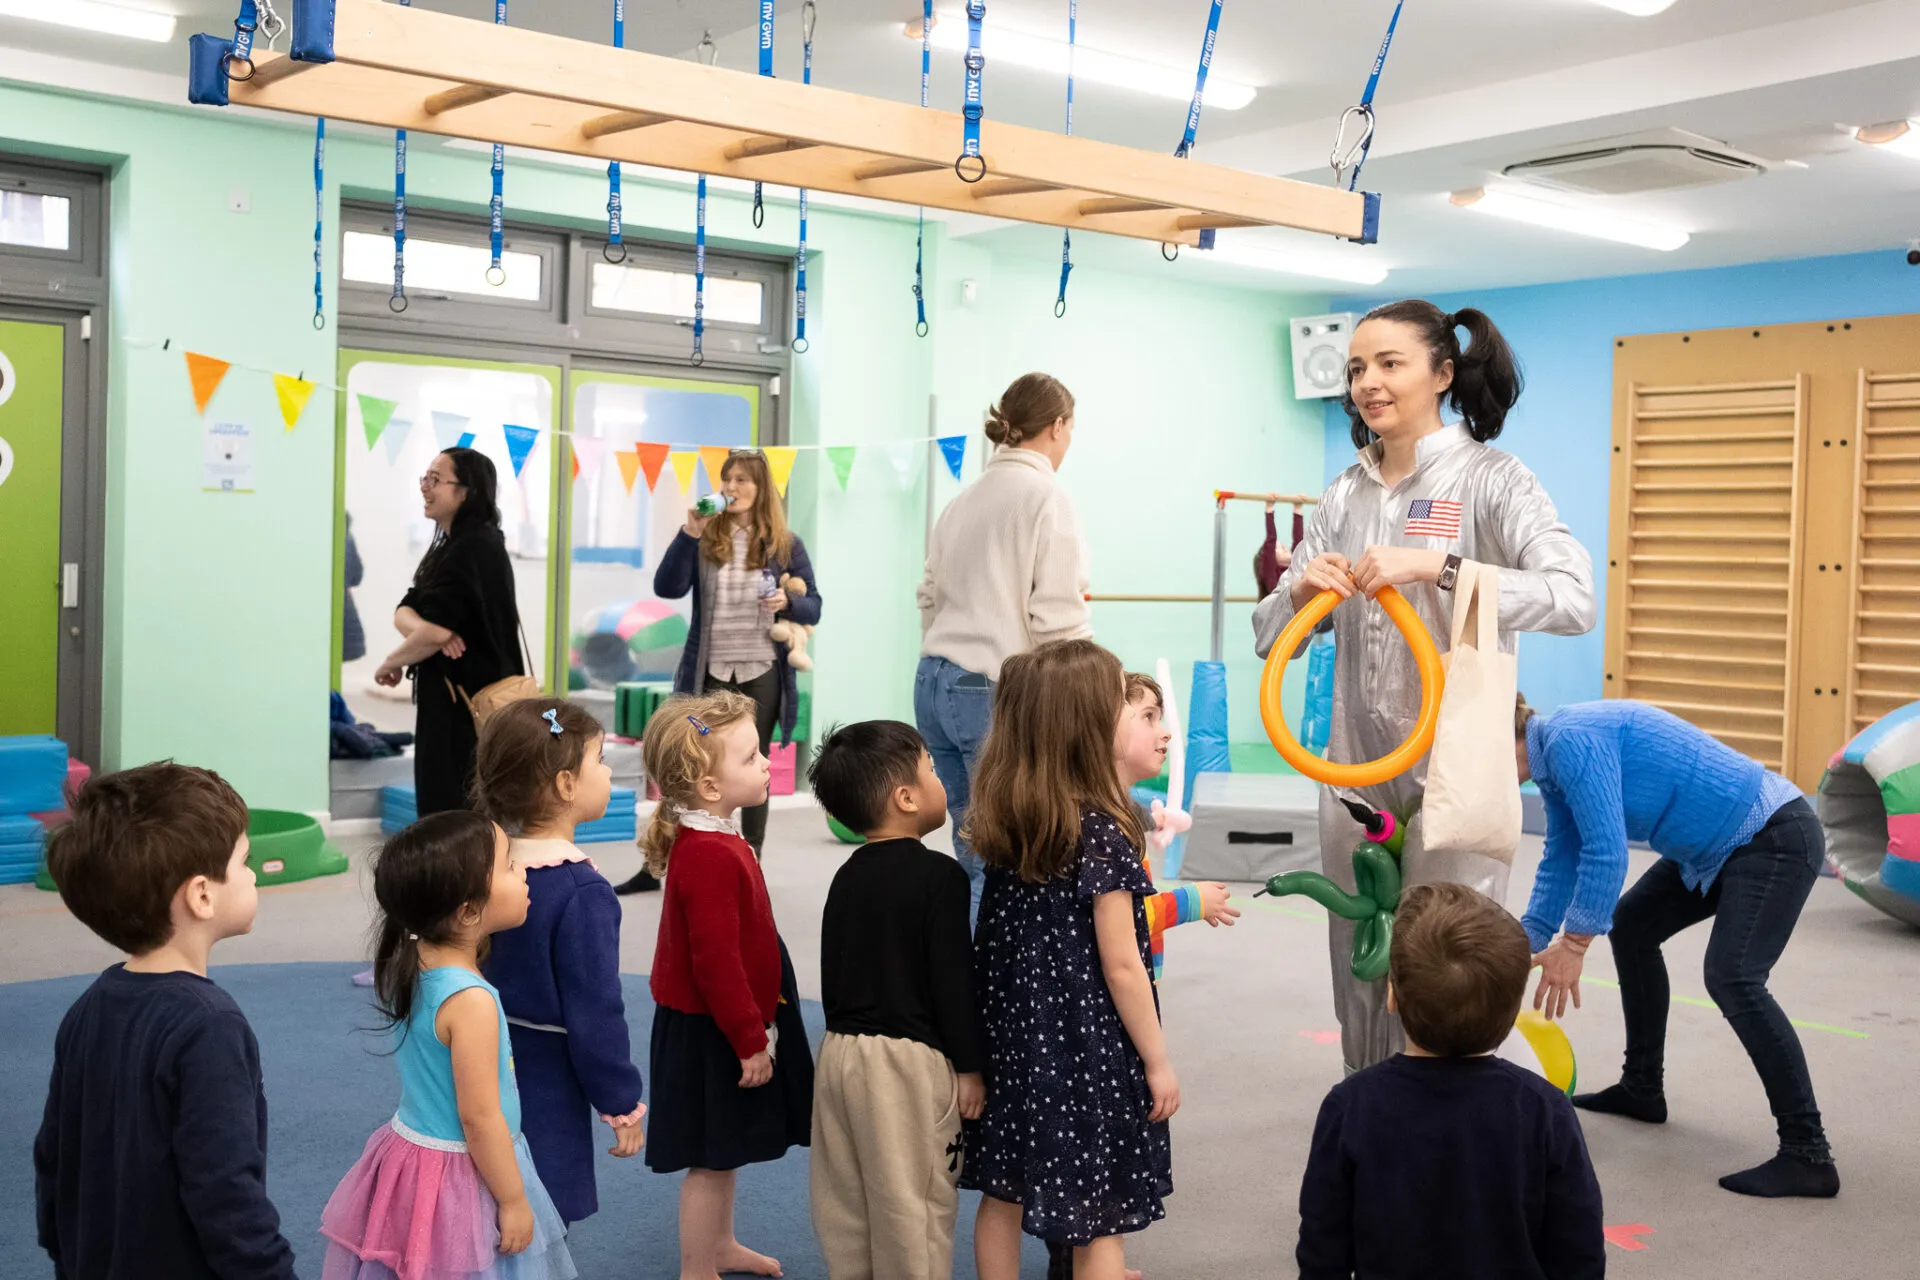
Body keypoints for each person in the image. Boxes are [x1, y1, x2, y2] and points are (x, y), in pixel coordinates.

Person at [1252, 300, 1596, 1074]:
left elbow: (1575, 598)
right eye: (1355, 369)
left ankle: (1452, 1141)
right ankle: (1372, 1117)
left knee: (1447, 964)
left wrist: (1435, 568)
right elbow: (1271, 633)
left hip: (1455, 762)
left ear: (1442, 373)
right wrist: (1302, 589)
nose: (1367, 383)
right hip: (1355, 769)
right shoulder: (1343, 495)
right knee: (1361, 954)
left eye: (1388, 363)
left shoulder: (1493, 480)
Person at [1515, 695, 1840, 1198]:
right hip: (1716, 846)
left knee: (1733, 976)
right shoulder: (1551, 763)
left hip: (1773, 834)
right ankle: (1643, 1087)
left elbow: (1606, 850)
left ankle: (1808, 1152)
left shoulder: (1568, 741)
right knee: (1633, 925)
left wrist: (1574, 945)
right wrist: (1519, 948)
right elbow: (1563, 854)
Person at [962, 639, 1176, 1280]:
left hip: (1016, 1040)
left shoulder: (1014, 816)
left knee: (1003, 1192)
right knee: (1100, 1214)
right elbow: (1121, 965)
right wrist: (1158, 1060)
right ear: (1086, 726)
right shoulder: (1104, 833)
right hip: (1085, 1048)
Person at [33, 762, 296, 1280]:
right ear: (202, 895)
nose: (250, 873)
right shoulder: (210, 1026)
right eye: (244, 861)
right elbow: (226, 1192)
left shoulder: (88, 1006)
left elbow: (53, 1161)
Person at [1296, 883, 1604, 1280]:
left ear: (1392, 995)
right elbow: (1579, 1249)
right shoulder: (1545, 1108)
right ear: (1512, 1017)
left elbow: (1323, 1247)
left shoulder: (1351, 1105)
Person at [319, 810, 576, 1280]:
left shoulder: (416, 961)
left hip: (413, 1156)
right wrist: (514, 1199)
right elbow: (479, 1117)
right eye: (509, 867)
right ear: (468, 911)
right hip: (462, 1173)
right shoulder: (471, 1001)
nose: (523, 876)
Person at [640, 692, 814, 1280]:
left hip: (727, 1017)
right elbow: (715, 962)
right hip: (714, 1027)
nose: (767, 763)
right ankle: (697, 1266)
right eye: (750, 758)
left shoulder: (717, 836)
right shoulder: (710, 853)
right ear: (710, 788)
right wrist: (749, 1039)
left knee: (726, 1148)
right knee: (710, 1159)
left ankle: (720, 1245)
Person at [806, 720, 985, 1280]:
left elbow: (834, 973)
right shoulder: (941, 877)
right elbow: (951, 981)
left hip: (839, 1057)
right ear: (905, 798)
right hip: (907, 1067)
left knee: (848, 1202)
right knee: (914, 1203)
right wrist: (971, 1068)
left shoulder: (846, 875)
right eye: (932, 769)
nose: (939, 779)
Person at [917, 372, 1092, 925]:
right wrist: (1089, 702)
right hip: (988, 689)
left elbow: (927, 594)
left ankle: (964, 983)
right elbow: (1058, 620)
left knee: (970, 847)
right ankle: (985, 996)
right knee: (1004, 858)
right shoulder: (1047, 497)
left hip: (933, 680)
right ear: (1058, 427)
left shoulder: (962, 501)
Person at [473, 697, 646, 1226]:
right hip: (546, 1078)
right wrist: (621, 1101)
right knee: (541, 1215)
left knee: (486, 1208)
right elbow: (595, 1010)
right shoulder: (582, 891)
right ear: (567, 784)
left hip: (480, 1060)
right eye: (599, 759)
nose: (609, 768)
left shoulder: (484, 867)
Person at [622, 448, 822, 894]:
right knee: (687, 766)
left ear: (761, 488)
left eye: (743, 480)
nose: (732, 488)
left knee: (755, 768)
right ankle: (657, 863)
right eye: (727, 479)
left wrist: (788, 602)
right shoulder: (705, 535)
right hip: (709, 670)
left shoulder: (785, 544)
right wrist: (687, 533)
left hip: (760, 670)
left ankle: (749, 863)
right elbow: (666, 586)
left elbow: (815, 606)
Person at [374, 446, 526, 815]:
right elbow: (405, 612)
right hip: (451, 702)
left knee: (454, 807)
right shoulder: (452, 547)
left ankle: (460, 875)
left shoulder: (473, 548)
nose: (426, 487)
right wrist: (430, 630)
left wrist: (390, 663)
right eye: (425, 478)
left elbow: (435, 632)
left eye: (436, 480)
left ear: (466, 491)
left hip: (466, 708)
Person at [1123, 672, 1239, 981]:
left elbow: (1130, 816)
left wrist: (1157, 818)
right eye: (1149, 717)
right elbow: (1132, 919)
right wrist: (1192, 901)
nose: (1165, 733)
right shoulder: (1106, 829)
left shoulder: (1118, 811)